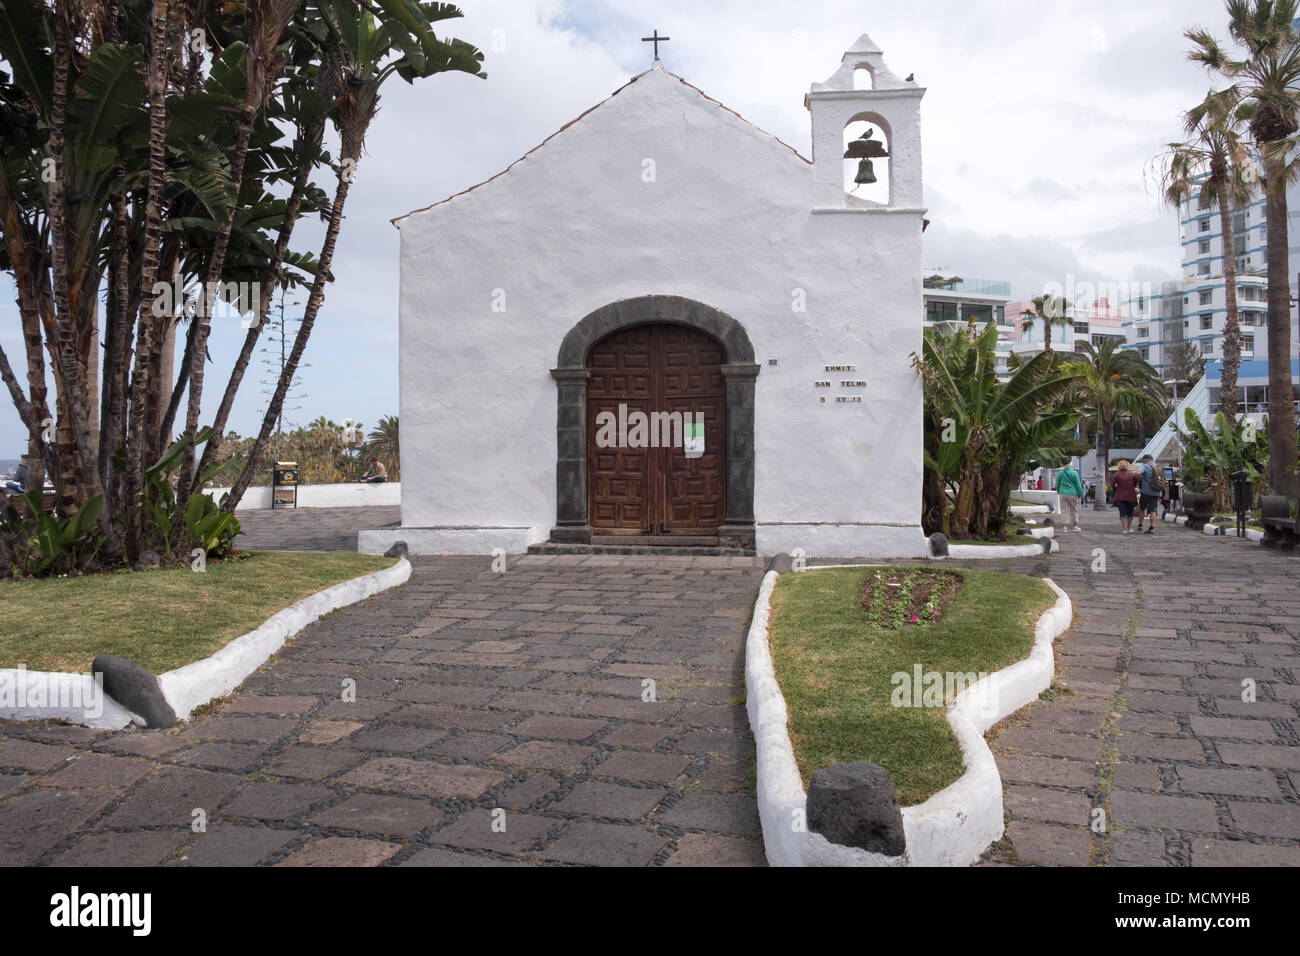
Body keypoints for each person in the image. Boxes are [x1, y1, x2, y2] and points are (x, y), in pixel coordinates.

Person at [1111, 460, 1140, 534]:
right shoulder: (1132, 474)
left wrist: (1117, 489)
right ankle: (1129, 527)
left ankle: (1124, 529)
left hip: (1120, 496)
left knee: (1122, 513)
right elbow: (1135, 483)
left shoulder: (1116, 475)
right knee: (1130, 513)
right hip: (1131, 496)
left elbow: (1113, 485)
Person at [1055, 459, 1084, 532]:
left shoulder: (1060, 473)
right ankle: (1075, 526)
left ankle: (1064, 527)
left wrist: (1058, 491)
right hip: (1072, 493)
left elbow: (1057, 484)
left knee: (1064, 510)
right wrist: (1081, 494)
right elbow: (1078, 485)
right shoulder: (1074, 473)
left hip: (1062, 493)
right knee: (1073, 509)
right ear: (1071, 464)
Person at [1136, 453, 1160, 534]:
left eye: (1143, 459)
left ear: (1146, 459)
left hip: (1146, 491)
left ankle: (1140, 525)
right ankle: (1152, 527)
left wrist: (1139, 478)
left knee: (1142, 508)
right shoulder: (1157, 466)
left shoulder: (1145, 466)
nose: (1142, 461)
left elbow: (1138, 473)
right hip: (1156, 491)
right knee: (1153, 510)